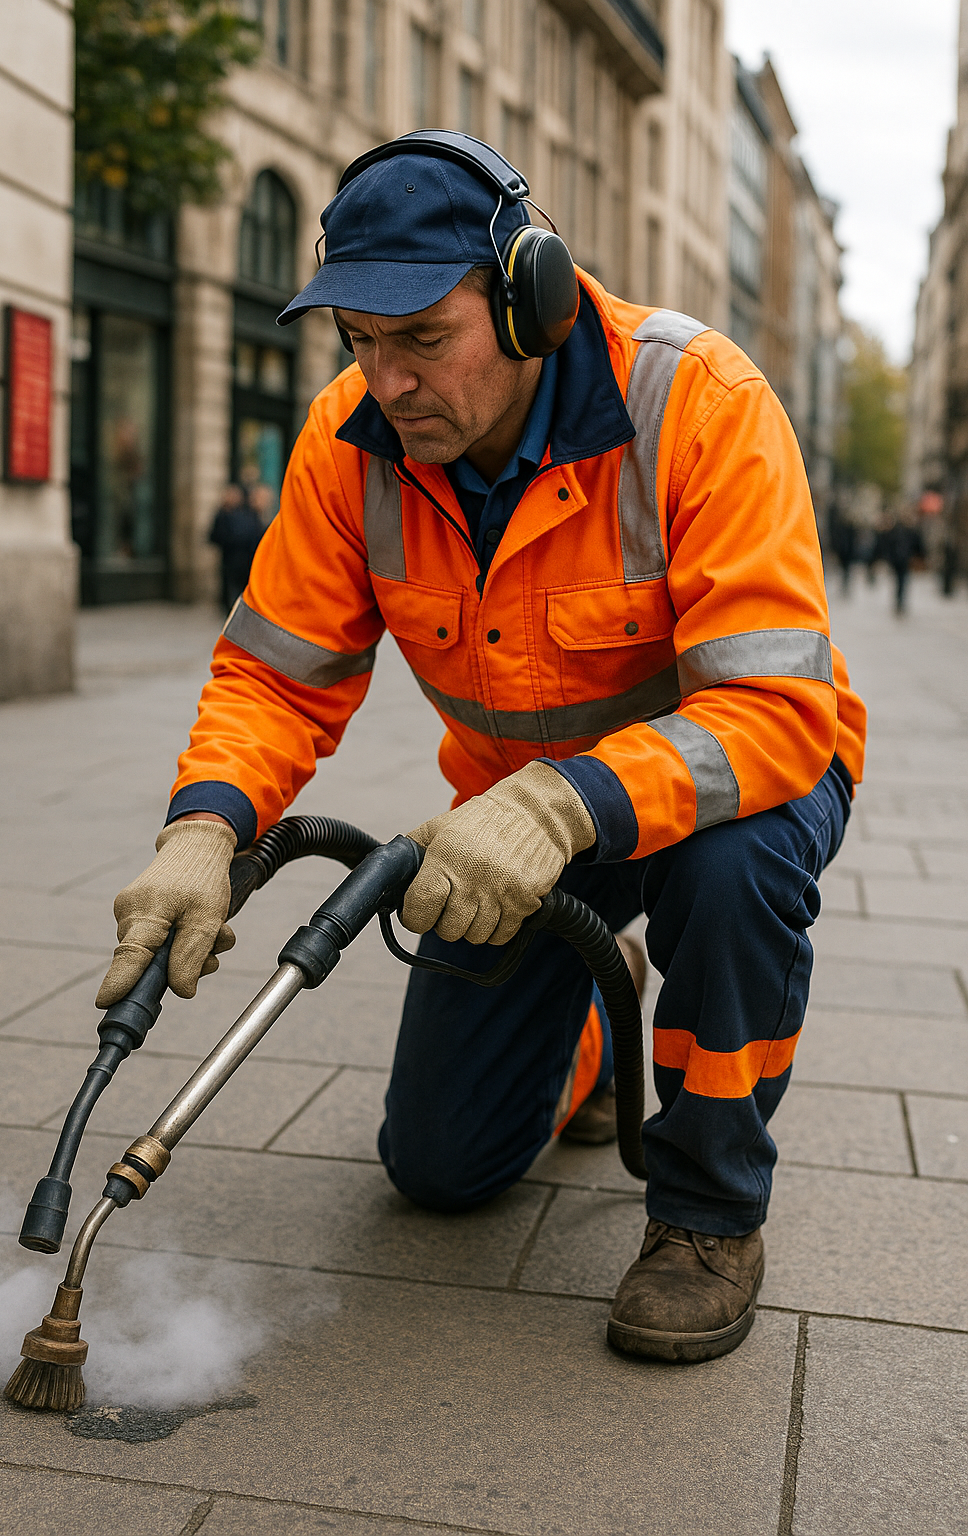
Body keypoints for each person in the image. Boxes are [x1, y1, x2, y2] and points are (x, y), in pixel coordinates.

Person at [95, 133, 866, 1365]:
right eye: (357, 339)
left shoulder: (699, 402)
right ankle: (591, 1038)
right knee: (437, 1167)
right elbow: (275, 675)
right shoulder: (350, 442)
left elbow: (773, 713)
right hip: (514, 817)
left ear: (530, 299)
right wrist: (205, 828)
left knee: (729, 880)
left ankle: (709, 1213)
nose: (386, 380)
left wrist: (563, 806)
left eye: (419, 339)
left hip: (732, 785)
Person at [208, 482, 265, 614]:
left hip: (245, 559)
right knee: (231, 586)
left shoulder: (250, 516)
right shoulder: (228, 515)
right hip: (232, 559)